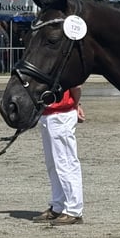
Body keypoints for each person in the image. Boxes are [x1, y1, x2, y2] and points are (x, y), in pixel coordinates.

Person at [32, 87, 86, 225]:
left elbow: (76, 86)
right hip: (48, 113)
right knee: (54, 164)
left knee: (66, 163)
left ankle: (74, 210)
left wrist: (75, 104)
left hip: (62, 114)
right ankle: (58, 205)